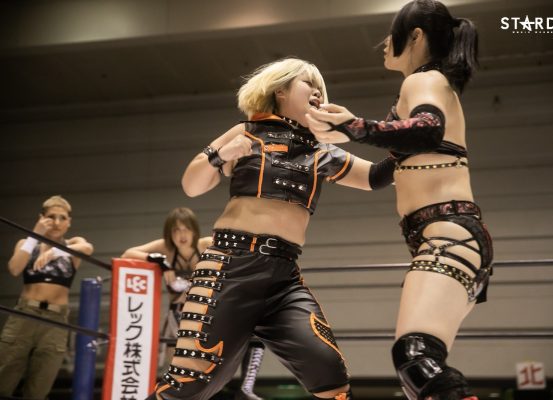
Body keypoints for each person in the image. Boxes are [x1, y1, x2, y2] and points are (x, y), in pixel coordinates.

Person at [147, 57, 396, 400]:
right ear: (280, 90)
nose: (318, 92)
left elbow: (375, 177)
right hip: (230, 266)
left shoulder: (322, 150)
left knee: (329, 372)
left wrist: (404, 134)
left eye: (321, 88)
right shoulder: (247, 131)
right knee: (190, 383)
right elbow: (192, 185)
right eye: (309, 83)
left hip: (283, 278)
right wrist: (222, 156)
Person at [306, 1, 493, 399]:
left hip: (448, 235)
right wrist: (321, 152)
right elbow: (377, 176)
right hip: (451, 237)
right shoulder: (426, 88)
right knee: (419, 372)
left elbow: (428, 129)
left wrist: (353, 126)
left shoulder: (424, 80)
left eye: (391, 34)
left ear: (416, 36)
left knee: (416, 358)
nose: (384, 44)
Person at [122, 207, 265, 400]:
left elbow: (241, 250)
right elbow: (128, 254)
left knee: (252, 334)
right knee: (178, 371)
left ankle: (246, 388)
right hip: (178, 318)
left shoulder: (205, 244)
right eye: (176, 230)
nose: (181, 235)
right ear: (169, 233)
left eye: (186, 229)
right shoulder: (166, 249)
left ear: (194, 230)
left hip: (209, 314)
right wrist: (159, 261)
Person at [0, 195, 94, 399]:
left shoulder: (73, 244)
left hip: (56, 321)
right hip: (25, 314)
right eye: (51, 217)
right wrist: (36, 234)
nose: (57, 222)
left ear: (69, 222)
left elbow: (87, 248)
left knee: (40, 386)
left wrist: (54, 253)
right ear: (41, 218)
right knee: (4, 375)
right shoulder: (27, 243)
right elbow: (14, 269)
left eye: (62, 218)